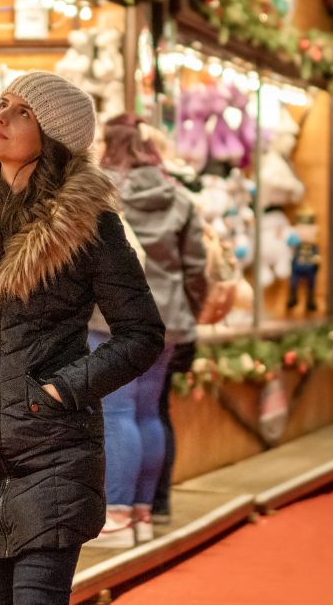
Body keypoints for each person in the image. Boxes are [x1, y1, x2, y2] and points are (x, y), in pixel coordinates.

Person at [0, 73, 165, 604]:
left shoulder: (89, 224)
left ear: (54, 137)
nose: (0, 117)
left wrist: (62, 391)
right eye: (2, 104)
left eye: (22, 112)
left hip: (54, 452)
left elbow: (140, 333)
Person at [86, 115, 208, 548]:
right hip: (168, 319)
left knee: (116, 413)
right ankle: (141, 513)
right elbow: (196, 268)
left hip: (112, 319)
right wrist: (187, 313)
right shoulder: (179, 197)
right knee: (147, 412)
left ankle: (116, 517)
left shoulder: (99, 193)